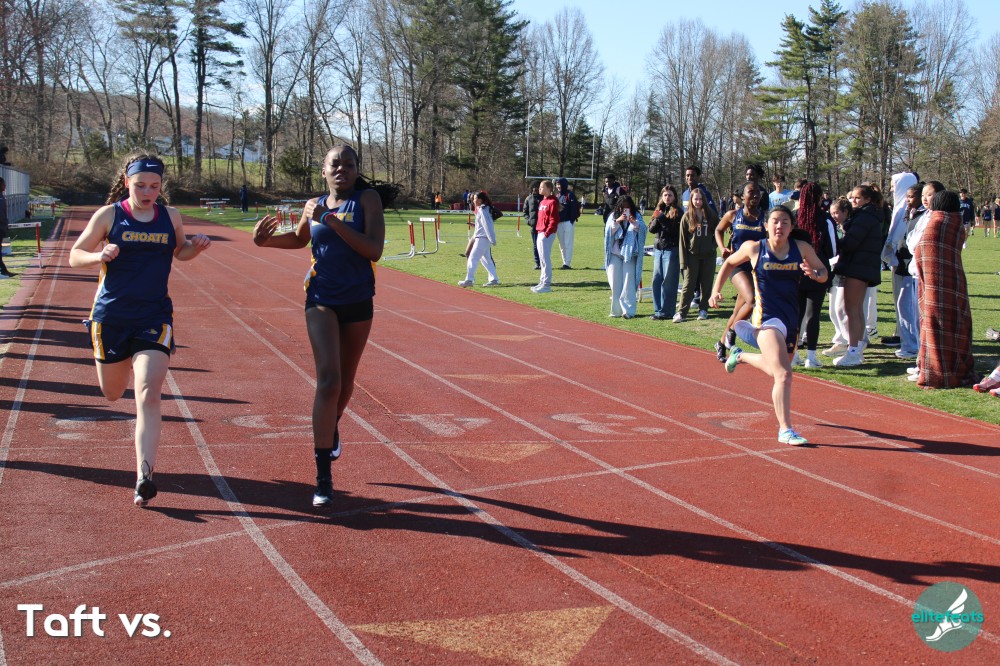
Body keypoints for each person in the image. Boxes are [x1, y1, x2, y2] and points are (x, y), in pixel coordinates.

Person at [68, 152, 212, 506]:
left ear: (161, 186)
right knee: (113, 393)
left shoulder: (170, 216)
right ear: (127, 182)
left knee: (148, 391)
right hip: (111, 318)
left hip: (154, 316)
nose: (147, 192)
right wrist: (98, 256)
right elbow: (75, 254)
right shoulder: (109, 215)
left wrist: (195, 247)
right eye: (140, 185)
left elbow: (180, 252)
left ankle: (144, 477)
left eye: (154, 186)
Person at [252, 144, 385, 507]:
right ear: (323, 170)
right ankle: (323, 476)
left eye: (349, 164)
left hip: (358, 299)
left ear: (357, 170)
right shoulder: (313, 205)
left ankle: (332, 423)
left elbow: (373, 249)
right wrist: (265, 242)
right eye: (335, 164)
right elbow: (300, 238)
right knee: (329, 379)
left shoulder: (367, 199)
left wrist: (331, 221)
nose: (342, 169)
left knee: (346, 381)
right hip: (321, 299)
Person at [710, 205, 828, 445]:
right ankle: (785, 430)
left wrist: (815, 274)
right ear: (766, 225)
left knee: (777, 370)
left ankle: (740, 355)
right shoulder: (755, 248)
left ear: (791, 227)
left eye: (785, 222)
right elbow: (729, 263)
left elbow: (824, 271)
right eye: (775, 221)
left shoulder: (801, 248)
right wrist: (715, 290)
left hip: (790, 319)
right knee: (784, 374)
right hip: (766, 319)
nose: (779, 226)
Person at [913, 190, 976, 389]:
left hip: (936, 286)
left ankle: (938, 371)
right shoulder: (956, 223)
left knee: (936, 325)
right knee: (957, 323)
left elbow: (922, 249)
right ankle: (955, 365)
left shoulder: (937, 223)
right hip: (955, 282)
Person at [830, 185, 884, 367]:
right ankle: (857, 349)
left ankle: (853, 351)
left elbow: (851, 242)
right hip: (861, 266)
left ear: (868, 199)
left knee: (851, 310)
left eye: (857, 198)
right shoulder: (867, 215)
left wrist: (834, 242)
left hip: (858, 267)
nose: (853, 200)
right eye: (852, 197)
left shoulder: (864, 216)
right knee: (856, 310)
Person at [713, 180, 766, 359]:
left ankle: (721, 343)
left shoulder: (764, 218)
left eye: (757, 192)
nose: (755, 195)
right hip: (736, 266)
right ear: (742, 196)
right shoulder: (733, 215)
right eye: (751, 192)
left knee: (739, 312)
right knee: (752, 300)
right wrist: (722, 248)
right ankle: (732, 333)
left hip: (755, 268)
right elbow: (718, 230)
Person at [790, 182, 835, 368]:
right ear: (819, 198)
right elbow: (833, 250)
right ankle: (811, 357)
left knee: (796, 314)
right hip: (819, 270)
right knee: (813, 314)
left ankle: (793, 354)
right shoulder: (825, 219)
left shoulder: (794, 218)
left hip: (796, 270)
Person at [676, 188, 719, 322]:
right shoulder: (687, 217)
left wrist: (713, 246)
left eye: (700, 199)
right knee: (688, 285)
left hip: (708, 256)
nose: (698, 202)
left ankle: (703, 309)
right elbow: (682, 240)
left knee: (706, 284)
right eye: (696, 199)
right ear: (691, 200)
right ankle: (682, 312)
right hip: (692, 256)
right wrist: (683, 262)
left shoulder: (711, 215)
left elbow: (719, 232)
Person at [603, 194, 646, 318]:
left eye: (627, 207)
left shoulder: (637, 216)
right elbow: (608, 232)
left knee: (628, 283)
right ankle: (616, 311)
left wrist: (635, 223)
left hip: (630, 254)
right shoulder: (613, 216)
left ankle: (628, 311)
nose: (625, 210)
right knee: (614, 282)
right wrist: (617, 221)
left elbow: (643, 229)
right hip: (615, 253)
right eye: (622, 207)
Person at [648, 185, 683, 321]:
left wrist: (662, 218)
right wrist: (658, 217)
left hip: (671, 249)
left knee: (669, 282)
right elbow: (651, 229)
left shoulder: (678, 212)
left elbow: (674, 231)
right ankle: (658, 310)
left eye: (670, 195)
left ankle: (667, 311)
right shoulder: (659, 210)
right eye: (665, 195)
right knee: (656, 280)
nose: (667, 197)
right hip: (658, 249)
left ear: (674, 197)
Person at [823, 197, 851, 357]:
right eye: (831, 213)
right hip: (834, 271)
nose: (833, 216)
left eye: (836, 213)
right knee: (833, 309)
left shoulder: (850, 227)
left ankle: (847, 341)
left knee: (841, 309)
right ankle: (841, 339)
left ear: (845, 212)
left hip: (845, 272)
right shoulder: (835, 228)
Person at [458, 191, 499, 287]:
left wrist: (492, 238)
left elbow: (487, 225)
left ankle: (469, 280)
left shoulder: (482, 210)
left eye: (475, 199)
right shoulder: (485, 209)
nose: (473, 200)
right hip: (483, 238)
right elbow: (484, 224)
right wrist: (476, 226)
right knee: (486, 260)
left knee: (472, 258)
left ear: (480, 200)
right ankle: (494, 279)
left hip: (482, 239)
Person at [532, 179, 559, 293]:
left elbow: (554, 219)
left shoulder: (552, 202)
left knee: (545, 259)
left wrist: (547, 232)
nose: (539, 189)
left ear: (548, 189)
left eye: (542, 187)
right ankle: (542, 281)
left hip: (546, 233)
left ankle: (546, 285)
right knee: (542, 259)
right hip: (540, 231)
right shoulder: (542, 201)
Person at [555, 177, 579, 269]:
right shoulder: (557, 196)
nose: (558, 186)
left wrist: (572, 220)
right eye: (557, 184)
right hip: (559, 223)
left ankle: (567, 263)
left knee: (568, 243)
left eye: (560, 184)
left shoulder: (570, 195)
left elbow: (574, 208)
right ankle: (564, 262)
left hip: (568, 222)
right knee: (561, 244)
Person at [522, 182, 542, 269]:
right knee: (535, 245)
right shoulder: (528, 198)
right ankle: (537, 263)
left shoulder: (544, 198)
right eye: (534, 187)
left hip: (543, 226)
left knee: (543, 245)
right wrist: (529, 221)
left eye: (537, 187)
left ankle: (543, 262)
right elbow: (525, 212)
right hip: (534, 226)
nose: (535, 189)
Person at [0, 177, 13, 278]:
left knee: (3, 249)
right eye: (3, 184)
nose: (5, 186)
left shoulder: (2, 197)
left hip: (3, 227)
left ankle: (3, 270)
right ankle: (3, 271)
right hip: (1, 228)